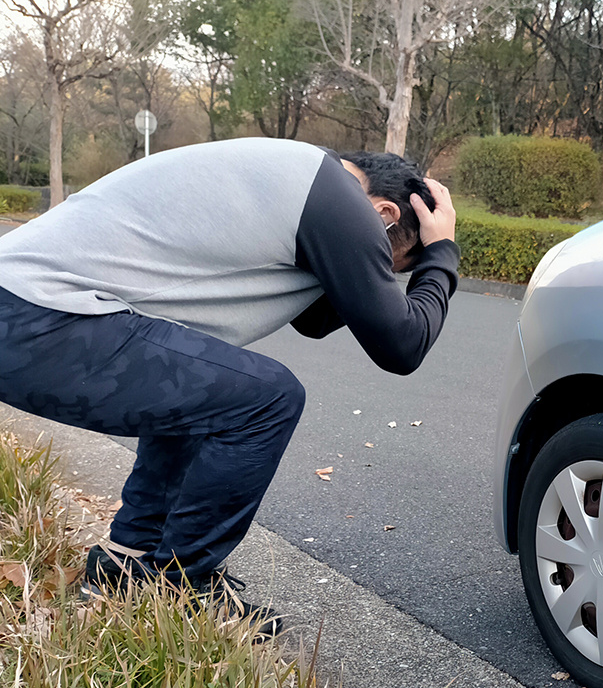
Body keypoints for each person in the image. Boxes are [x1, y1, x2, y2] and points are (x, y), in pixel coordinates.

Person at [0, 138, 459, 632]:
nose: (376, 271)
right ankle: (181, 588)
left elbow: (316, 320)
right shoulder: (340, 200)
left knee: (212, 386)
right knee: (267, 399)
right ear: (385, 213)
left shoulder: (306, 179)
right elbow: (401, 346)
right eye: (388, 262)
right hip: (40, 315)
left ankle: (127, 564)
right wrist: (442, 255)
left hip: (25, 312)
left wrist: (388, 267)